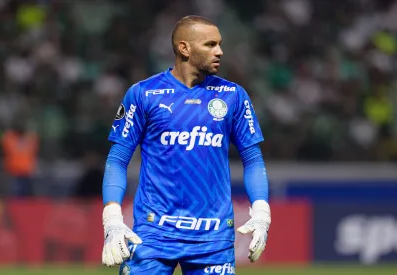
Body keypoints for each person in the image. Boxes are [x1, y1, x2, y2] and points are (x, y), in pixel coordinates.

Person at [101, 15, 271, 275]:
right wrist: (112, 218)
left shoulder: (233, 96)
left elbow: (253, 157)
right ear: (184, 48)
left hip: (213, 238)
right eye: (210, 44)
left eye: (220, 44)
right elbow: (118, 157)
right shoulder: (144, 93)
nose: (220, 51)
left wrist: (261, 211)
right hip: (154, 233)